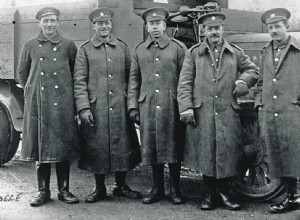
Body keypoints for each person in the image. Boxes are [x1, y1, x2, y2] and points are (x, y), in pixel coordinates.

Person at [177, 12, 259, 210]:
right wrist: (186, 107)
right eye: (210, 28)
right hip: (202, 110)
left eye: (217, 28)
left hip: (226, 111)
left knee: (226, 152)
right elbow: (185, 82)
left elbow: (253, 70)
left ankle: (224, 194)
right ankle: (207, 194)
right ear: (204, 30)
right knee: (206, 151)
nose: (214, 32)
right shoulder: (194, 53)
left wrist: (242, 82)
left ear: (222, 29)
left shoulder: (235, 52)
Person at [73, 7, 141, 203]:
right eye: (99, 23)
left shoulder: (122, 47)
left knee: (122, 144)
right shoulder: (85, 50)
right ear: (94, 26)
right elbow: (79, 81)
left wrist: (131, 103)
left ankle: (121, 185)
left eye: (106, 23)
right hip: (97, 107)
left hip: (120, 105)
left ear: (111, 24)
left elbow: (132, 78)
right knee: (97, 147)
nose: (103, 26)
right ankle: (99, 187)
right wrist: (84, 107)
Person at [17, 7, 79, 206]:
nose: (50, 24)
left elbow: (75, 73)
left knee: (63, 147)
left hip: (62, 104)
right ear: (39, 24)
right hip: (39, 104)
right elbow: (22, 73)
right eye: (46, 21)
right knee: (41, 148)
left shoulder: (68, 45)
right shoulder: (30, 45)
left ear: (58, 22)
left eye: (53, 20)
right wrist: (33, 91)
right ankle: (43, 191)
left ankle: (64, 190)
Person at [127, 7, 187, 205]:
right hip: (148, 107)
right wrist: (133, 107)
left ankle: (175, 189)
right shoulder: (139, 50)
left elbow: (185, 79)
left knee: (173, 147)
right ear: (146, 26)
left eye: (158, 23)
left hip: (172, 106)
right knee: (152, 148)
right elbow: (134, 80)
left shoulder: (178, 48)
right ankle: (157, 188)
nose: (154, 27)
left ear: (165, 25)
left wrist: (184, 105)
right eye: (151, 24)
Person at [257, 8, 300, 213]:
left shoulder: (298, 49)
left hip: (292, 110)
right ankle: (292, 197)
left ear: (287, 27)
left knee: (294, 152)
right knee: (280, 155)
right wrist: (260, 103)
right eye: (271, 27)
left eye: (278, 26)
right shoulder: (266, 51)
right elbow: (260, 82)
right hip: (271, 111)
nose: (274, 30)